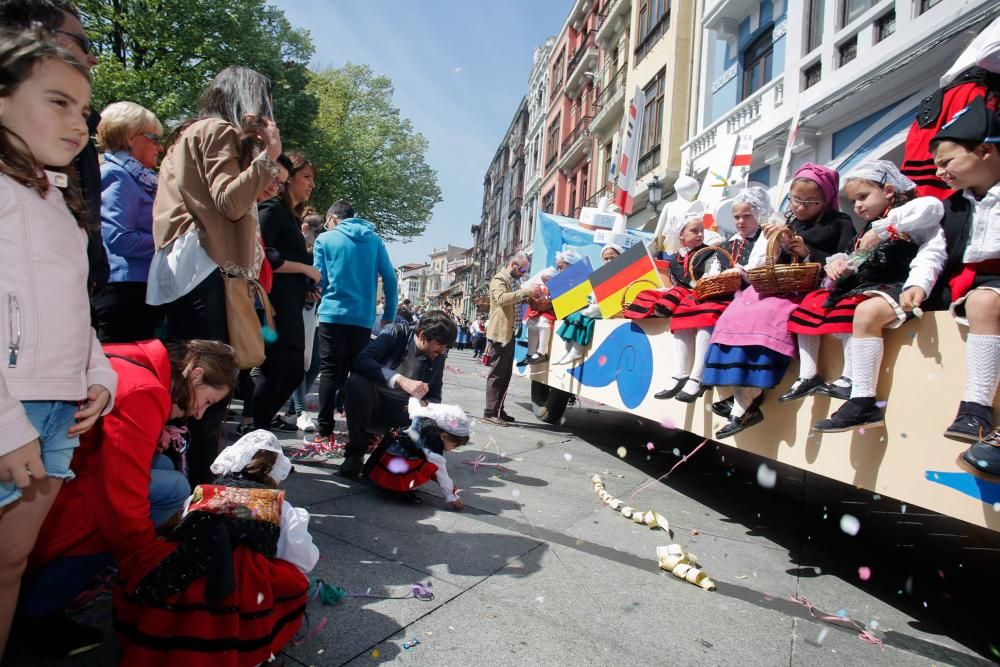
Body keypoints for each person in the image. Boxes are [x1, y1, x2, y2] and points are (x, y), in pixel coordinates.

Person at [0, 29, 117, 659]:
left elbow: (76, 307)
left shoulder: (59, 197)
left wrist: (99, 373)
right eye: (58, 102)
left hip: (52, 410)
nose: (79, 124)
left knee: (10, 568)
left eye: (84, 109)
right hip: (10, 407)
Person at [20, 339, 237, 657]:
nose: (200, 413)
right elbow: (122, 498)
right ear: (195, 374)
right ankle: (39, 610)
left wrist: (155, 429)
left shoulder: (137, 360)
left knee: (162, 467)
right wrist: (147, 559)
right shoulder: (145, 393)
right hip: (54, 500)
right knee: (171, 489)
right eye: (206, 400)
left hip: (47, 473)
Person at [146, 65, 282, 485]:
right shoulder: (218, 131)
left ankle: (182, 481)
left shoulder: (190, 133)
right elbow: (228, 201)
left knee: (187, 383)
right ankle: (199, 488)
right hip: (207, 269)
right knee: (209, 387)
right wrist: (268, 156)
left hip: (187, 270)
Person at [112, 430, 318, 666]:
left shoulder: (202, 492)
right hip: (237, 579)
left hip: (183, 566)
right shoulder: (280, 506)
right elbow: (303, 560)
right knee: (293, 582)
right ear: (274, 471)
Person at [783, 162, 946, 432]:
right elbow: (855, 257)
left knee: (859, 310)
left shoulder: (909, 213)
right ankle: (816, 377)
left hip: (894, 282)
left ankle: (857, 389)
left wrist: (883, 230)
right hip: (865, 282)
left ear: (890, 190)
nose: (857, 206)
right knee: (821, 304)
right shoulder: (867, 226)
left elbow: (931, 209)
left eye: (863, 197)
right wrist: (838, 264)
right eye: (854, 200)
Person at [702, 163, 855, 438]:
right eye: (796, 200)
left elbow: (845, 259)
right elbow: (769, 261)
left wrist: (808, 252)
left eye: (810, 202)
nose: (800, 207)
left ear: (825, 200)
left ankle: (743, 404)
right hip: (777, 284)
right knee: (735, 314)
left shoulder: (840, 223)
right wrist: (777, 245)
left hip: (803, 288)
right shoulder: (789, 221)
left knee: (766, 317)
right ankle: (741, 395)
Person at [923, 97, 1000, 471]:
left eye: (947, 162)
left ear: (985, 150)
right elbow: (935, 250)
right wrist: (918, 284)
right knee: (979, 301)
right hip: (968, 285)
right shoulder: (954, 206)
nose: (940, 172)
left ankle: (976, 407)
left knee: (985, 302)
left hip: (988, 289)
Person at [308, 200, 399, 449]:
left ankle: (324, 431)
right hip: (362, 319)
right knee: (357, 375)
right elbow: (390, 279)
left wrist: (313, 293)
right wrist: (389, 313)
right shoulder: (375, 241)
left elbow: (320, 279)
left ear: (334, 219)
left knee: (329, 372)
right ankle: (360, 432)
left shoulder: (325, 240)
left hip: (332, 316)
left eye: (327, 223)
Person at [331, 311, 456, 478]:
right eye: (440, 344)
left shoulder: (438, 356)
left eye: (445, 346)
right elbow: (362, 360)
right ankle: (355, 454)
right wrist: (400, 380)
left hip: (403, 412)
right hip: (372, 404)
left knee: (433, 423)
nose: (442, 351)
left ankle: (392, 461)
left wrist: (425, 405)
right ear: (422, 335)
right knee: (356, 382)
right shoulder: (395, 333)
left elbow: (434, 396)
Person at [253, 151, 320, 432]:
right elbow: (261, 256)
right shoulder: (271, 209)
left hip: (290, 303)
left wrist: (306, 288)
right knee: (278, 369)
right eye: (306, 177)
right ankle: (255, 427)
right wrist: (305, 270)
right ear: (288, 178)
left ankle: (260, 426)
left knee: (291, 372)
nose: (311, 184)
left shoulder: (291, 216)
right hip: (274, 305)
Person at [91, 101, 165, 342]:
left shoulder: (138, 178)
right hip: (123, 290)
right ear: (130, 137)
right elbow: (118, 239)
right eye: (153, 138)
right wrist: (167, 242)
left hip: (137, 288)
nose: (160, 147)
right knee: (124, 371)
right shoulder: (116, 174)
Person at [651, 204, 731, 402]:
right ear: (681, 234)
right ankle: (681, 374)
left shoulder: (711, 253)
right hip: (691, 300)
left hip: (712, 297)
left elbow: (714, 279)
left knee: (704, 318)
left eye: (701, 231)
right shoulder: (673, 260)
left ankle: (697, 376)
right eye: (694, 231)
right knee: (680, 318)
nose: (700, 235)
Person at [236, 158, 290, 436]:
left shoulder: (258, 209)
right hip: (247, 299)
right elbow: (264, 254)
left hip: (258, 298)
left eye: (280, 183)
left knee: (260, 362)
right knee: (260, 363)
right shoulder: (261, 208)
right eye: (272, 178)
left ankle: (254, 426)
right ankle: (250, 425)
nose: (275, 187)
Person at [364, 398, 471, 509]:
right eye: (454, 445)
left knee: (420, 460)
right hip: (399, 468)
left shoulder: (422, 420)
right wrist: (451, 496)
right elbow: (442, 475)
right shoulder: (432, 447)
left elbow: (414, 407)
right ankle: (401, 489)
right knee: (429, 468)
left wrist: (415, 398)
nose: (453, 449)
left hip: (388, 458)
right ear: (443, 436)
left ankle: (387, 483)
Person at [483, 253, 534, 426]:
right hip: (500, 333)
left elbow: (517, 301)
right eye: (521, 270)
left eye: (524, 271)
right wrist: (524, 292)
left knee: (505, 374)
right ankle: (490, 412)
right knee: (497, 374)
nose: (522, 274)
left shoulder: (514, 281)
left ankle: (498, 409)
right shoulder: (499, 279)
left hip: (510, 332)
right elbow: (502, 299)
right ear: (513, 265)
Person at [553, 243, 622, 366]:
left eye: (613, 258)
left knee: (584, 316)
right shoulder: (601, 275)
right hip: (599, 306)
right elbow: (593, 295)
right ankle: (568, 350)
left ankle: (577, 350)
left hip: (613, 309)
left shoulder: (624, 273)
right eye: (606, 258)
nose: (609, 261)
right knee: (573, 316)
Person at [519, 250, 581, 366]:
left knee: (543, 322)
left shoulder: (578, 284)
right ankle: (531, 352)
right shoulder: (560, 284)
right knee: (532, 323)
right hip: (549, 312)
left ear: (572, 267)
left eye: (561, 267)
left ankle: (541, 352)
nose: (558, 271)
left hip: (557, 316)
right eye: (557, 268)